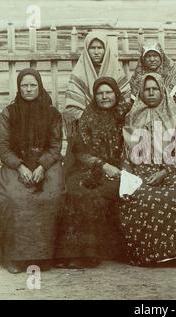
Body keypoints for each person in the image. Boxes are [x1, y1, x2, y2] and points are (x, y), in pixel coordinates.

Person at [0, 68, 65, 274]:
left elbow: (55, 147)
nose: (29, 89)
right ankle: (13, 257)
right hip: (16, 164)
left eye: (33, 85)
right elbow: (3, 147)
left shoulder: (52, 113)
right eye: (24, 86)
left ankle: (45, 256)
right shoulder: (9, 113)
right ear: (19, 88)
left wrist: (42, 166)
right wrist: (20, 166)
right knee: (13, 197)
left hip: (44, 164)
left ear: (39, 87)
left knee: (52, 195)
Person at [120, 73, 176, 267]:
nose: (151, 93)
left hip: (171, 169)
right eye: (147, 89)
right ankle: (149, 254)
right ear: (141, 92)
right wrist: (129, 172)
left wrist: (164, 171)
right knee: (141, 196)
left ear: (162, 91)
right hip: (142, 168)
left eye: (155, 89)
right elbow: (127, 150)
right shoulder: (132, 117)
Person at [55, 77, 130, 268]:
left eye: (108, 92)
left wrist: (118, 168)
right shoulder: (88, 116)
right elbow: (80, 151)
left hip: (120, 169)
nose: (104, 97)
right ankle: (72, 254)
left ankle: (89, 254)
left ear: (116, 94)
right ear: (94, 96)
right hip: (90, 168)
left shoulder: (125, 115)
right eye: (100, 93)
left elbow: (132, 146)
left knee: (98, 195)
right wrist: (102, 165)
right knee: (76, 192)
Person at [63, 32, 131, 174]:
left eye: (100, 47)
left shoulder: (116, 70)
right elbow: (72, 107)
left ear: (106, 49)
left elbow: (125, 101)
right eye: (92, 48)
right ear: (87, 50)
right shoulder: (79, 73)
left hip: (115, 123)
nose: (96, 51)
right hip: (87, 126)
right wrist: (93, 118)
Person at [129, 41, 176, 107]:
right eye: (148, 56)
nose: (152, 59)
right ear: (143, 59)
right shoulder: (137, 77)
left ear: (161, 57)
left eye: (155, 55)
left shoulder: (174, 74)